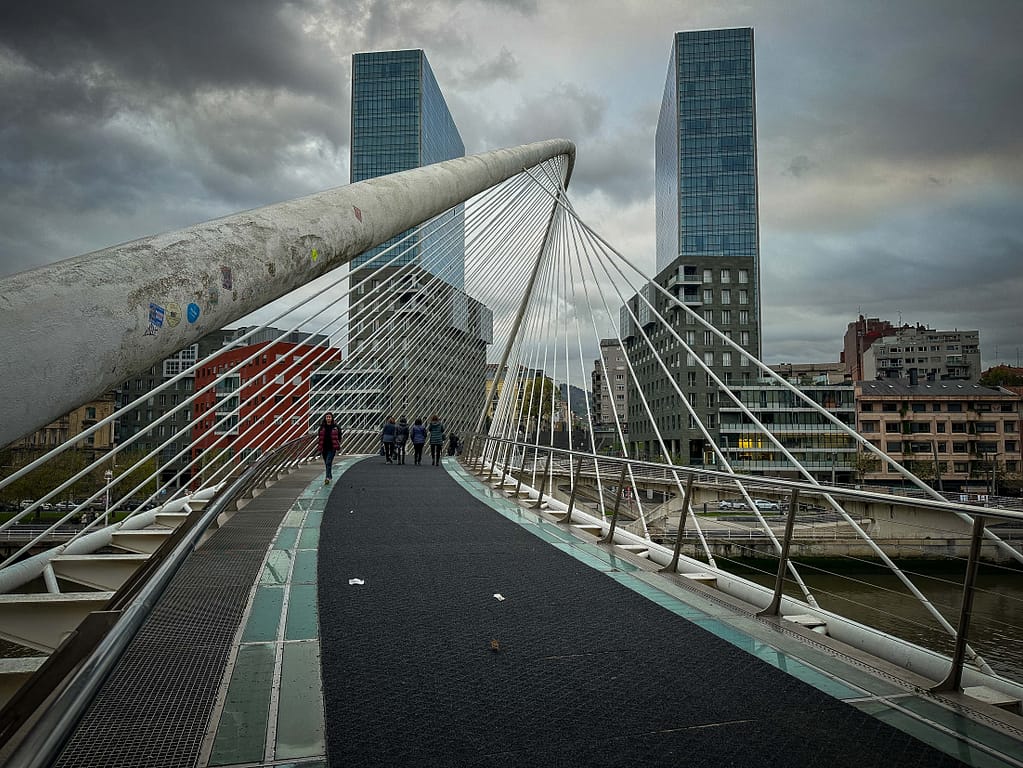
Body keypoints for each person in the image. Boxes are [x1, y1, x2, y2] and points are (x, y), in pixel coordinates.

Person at [317, 412, 341, 485]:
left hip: (332, 448)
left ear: (332, 418)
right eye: (327, 417)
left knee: (328, 462)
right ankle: (330, 476)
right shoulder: (322, 427)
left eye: (329, 417)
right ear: (325, 418)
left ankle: (327, 477)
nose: (328, 418)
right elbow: (319, 436)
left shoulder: (335, 427)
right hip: (324, 448)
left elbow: (339, 435)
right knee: (327, 463)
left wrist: (337, 442)